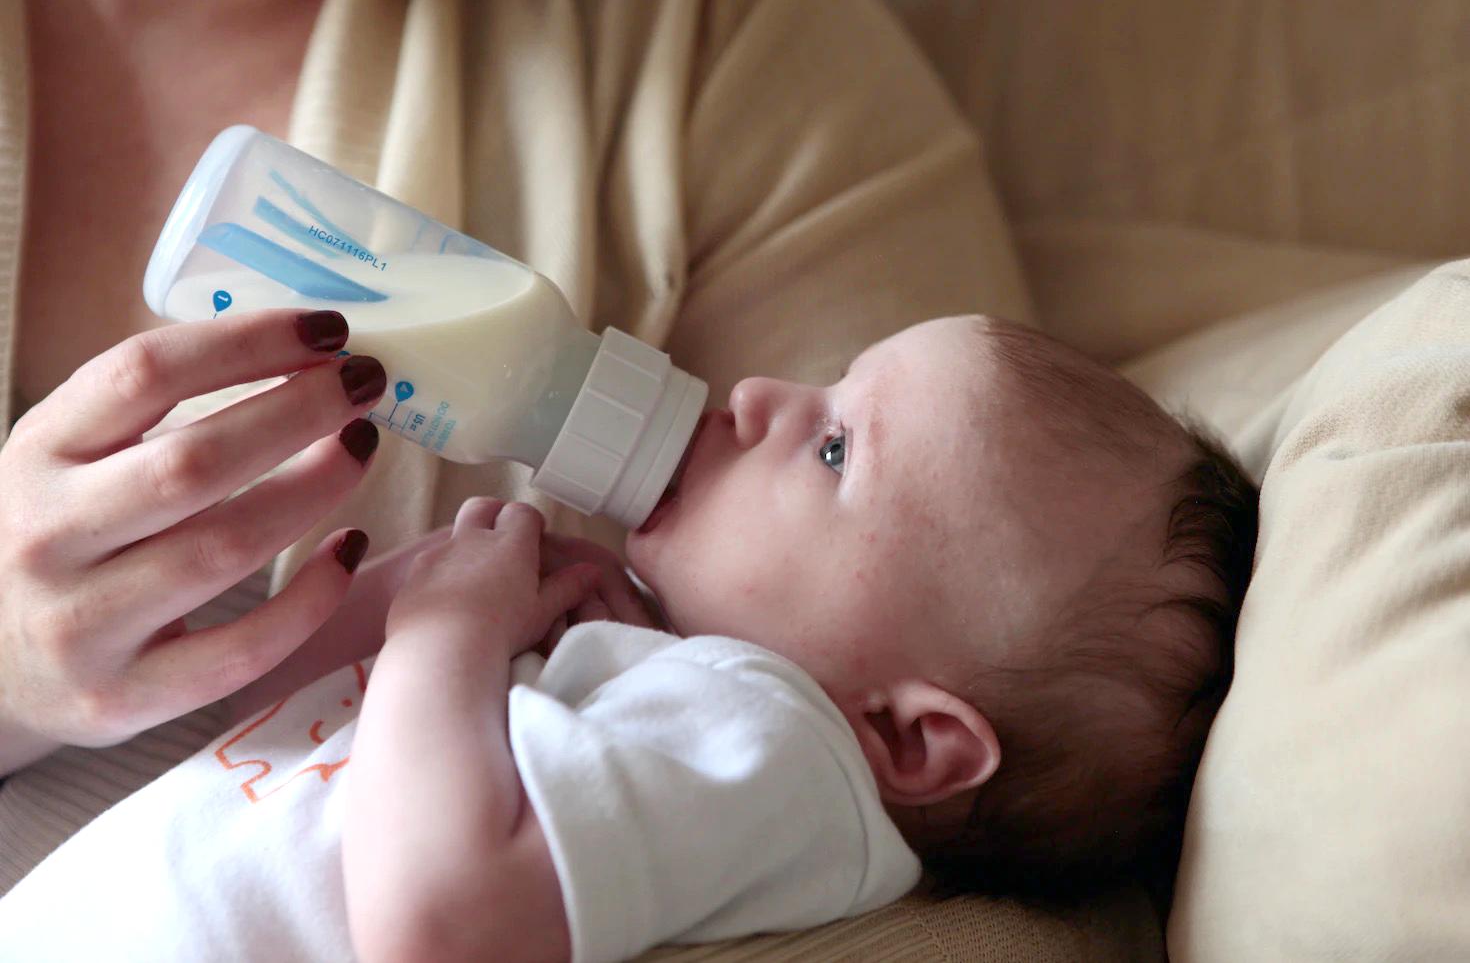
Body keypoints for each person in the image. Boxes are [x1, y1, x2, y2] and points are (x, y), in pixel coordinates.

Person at [0, 314, 1258, 963]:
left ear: (908, 736)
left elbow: (439, 927)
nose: (757, 395)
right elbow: (271, 748)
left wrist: (450, 627)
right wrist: (418, 601)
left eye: (834, 448)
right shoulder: (665, 688)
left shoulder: (779, 743)